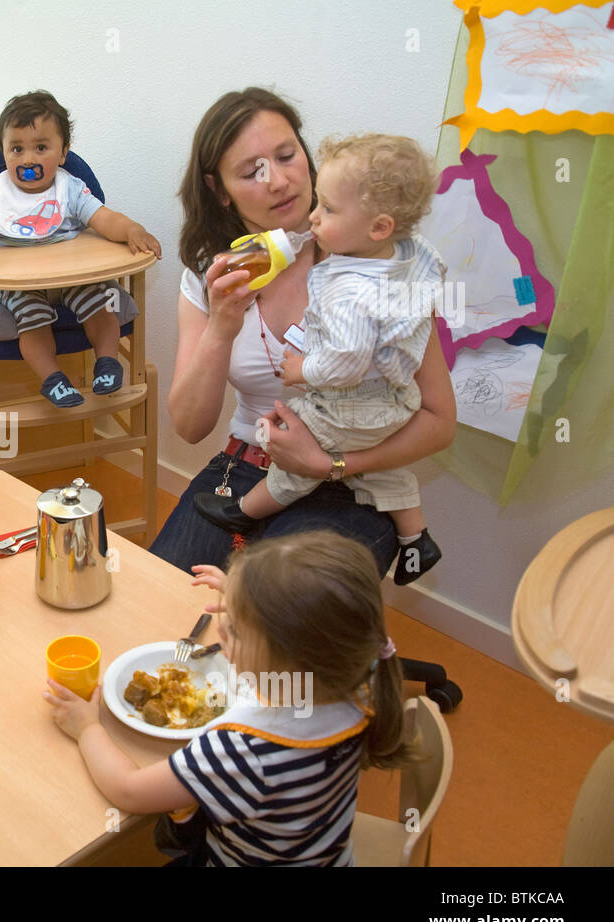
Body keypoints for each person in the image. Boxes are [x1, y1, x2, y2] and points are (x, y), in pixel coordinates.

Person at [148, 88, 456, 579]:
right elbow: (189, 426)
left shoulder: (381, 264)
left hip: (354, 480)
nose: (281, 181)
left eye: (288, 156)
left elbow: (439, 420)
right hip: (249, 463)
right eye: (252, 172)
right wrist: (221, 329)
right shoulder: (214, 275)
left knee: (278, 614)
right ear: (220, 189)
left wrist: (330, 464)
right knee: (160, 604)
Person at [45, 530, 412, 866]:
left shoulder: (243, 750)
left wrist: (88, 728)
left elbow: (128, 791)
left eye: (234, 630)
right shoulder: (359, 680)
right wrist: (249, 602)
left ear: (285, 654)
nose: (220, 631)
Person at [0, 90, 163, 408]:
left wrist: (132, 230)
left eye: (41, 147)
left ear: (63, 152)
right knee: (32, 319)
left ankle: (106, 362)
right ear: (4, 154)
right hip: (19, 284)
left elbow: (105, 219)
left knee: (99, 302)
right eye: (17, 149)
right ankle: (52, 378)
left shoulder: (70, 189)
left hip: (71, 276)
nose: (28, 159)